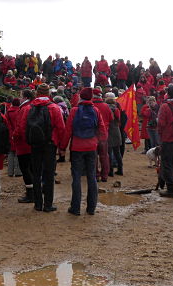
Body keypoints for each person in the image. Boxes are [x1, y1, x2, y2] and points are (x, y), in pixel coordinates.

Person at [17, 84, 66, 212]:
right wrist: (61, 146)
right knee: (49, 174)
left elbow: (22, 128)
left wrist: (29, 140)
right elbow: (61, 128)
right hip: (50, 144)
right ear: (49, 94)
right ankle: (48, 204)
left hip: (34, 144)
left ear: (37, 93)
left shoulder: (29, 108)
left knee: (36, 174)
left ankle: (38, 204)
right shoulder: (54, 108)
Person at [60, 88, 106, 216]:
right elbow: (102, 130)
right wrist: (99, 142)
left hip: (77, 147)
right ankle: (91, 208)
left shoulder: (74, 111)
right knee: (92, 176)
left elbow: (68, 130)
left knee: (76, 178)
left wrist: (62, 147)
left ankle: (75, 208)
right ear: (91, 97)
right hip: (91, 147)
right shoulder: (96, 110)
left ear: (80, 97)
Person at [12, 90, 35, 203]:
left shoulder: (24, 109)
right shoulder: (33, 106)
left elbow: (20, 127)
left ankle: (30, 194)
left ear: (25, 97)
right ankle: (34, 191)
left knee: (25, 169)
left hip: (23, 143)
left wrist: (14, 137)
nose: (19, 98)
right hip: (32, 142)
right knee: (31, 168)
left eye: (20, 96)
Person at [92, 88, 112, 182]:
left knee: (94, 156)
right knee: (104, 155)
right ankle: (104, 176)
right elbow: (111, 118)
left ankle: (96, 175)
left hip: (93, 134)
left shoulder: (91, 106)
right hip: (104, 134)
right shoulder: (106, 106)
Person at [105, 93, 123, 176]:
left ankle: (110, 171)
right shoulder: (116, 109)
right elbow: (119, 120)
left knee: (109, 153)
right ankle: (120, 169)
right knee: (117, 152)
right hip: (116, 131)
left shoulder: (106, 109)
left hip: (109, 131)